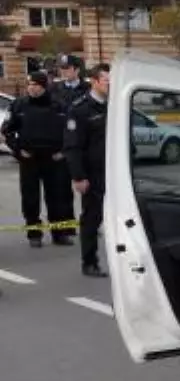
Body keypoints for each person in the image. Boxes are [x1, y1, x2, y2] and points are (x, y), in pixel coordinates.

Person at [0, 72, 76, 248]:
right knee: (30, 199)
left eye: (35, 84)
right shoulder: (19, 105)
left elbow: (71, 132)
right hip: (29, 159)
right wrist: (18, 150)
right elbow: (6, 132)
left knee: (57, 198)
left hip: (54, 159)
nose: (31, 88)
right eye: (29, 84)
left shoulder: (59, 106)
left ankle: (59, 234)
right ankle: (34, 234)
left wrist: (63, 152)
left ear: (43, 86)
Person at [63, 63, 110, 278]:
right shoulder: (80, 109)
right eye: (107, 81)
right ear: (94, 81)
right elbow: (73, 147)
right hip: (93, 174)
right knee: (92, 218)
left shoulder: (115, 106)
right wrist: (79, 177)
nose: (110, 85)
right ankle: (89, 262)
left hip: (115, 173)